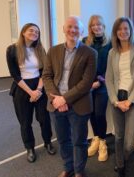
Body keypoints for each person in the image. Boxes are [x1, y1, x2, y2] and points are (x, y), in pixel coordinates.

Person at [42, 16, 97, 177]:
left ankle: (79, 171)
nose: (72, 30)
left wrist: (64, 99)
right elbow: (47, 76)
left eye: (76, 28)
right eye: (69, 27)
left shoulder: (90, 53)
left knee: (79, 141)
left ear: (81, 32)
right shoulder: (53, 51)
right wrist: (56, 99)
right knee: (63, 140)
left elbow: (86, 83)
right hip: (56, 103)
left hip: (79, 104)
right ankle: (68, 168)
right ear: (64, 29)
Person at [6, 23, 55, 163]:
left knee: (44, 118)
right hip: (21, 87)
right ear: (23, 32)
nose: (34, 33)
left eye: (37, 32)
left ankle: (48, 142)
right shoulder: (12, 50)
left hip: (39, 86)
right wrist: (30, 92)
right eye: (31, 30)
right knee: (25, 121)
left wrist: (38, 90)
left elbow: (44, 71)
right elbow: (14, 74)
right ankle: (30, 148)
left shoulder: (40, 49)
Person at [105, 17, 134, 177]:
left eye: (126, 28)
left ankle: (123, 158)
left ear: (131, 30)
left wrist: (129, 101)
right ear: (116, 32)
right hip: (117, 97)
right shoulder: (112, 53)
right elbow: (108, 78)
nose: (123, 32)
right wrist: (115, 101)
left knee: (129, 142)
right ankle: (120, 165)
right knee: (119, 136)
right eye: (119, 29)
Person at [82, 15, 112, 161]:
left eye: (99, 24)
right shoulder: (84, 42)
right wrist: (88, 83)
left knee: (100, 114)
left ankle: (103, 143)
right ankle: (96, 139)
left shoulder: (110, 43)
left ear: (103, 26)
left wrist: (101, 81)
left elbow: (113, 66)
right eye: (93, 25)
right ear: (90, 27)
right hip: (88, 85)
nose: (96, 27)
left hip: (103, 84)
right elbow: (81, 65)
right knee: (92, 114)